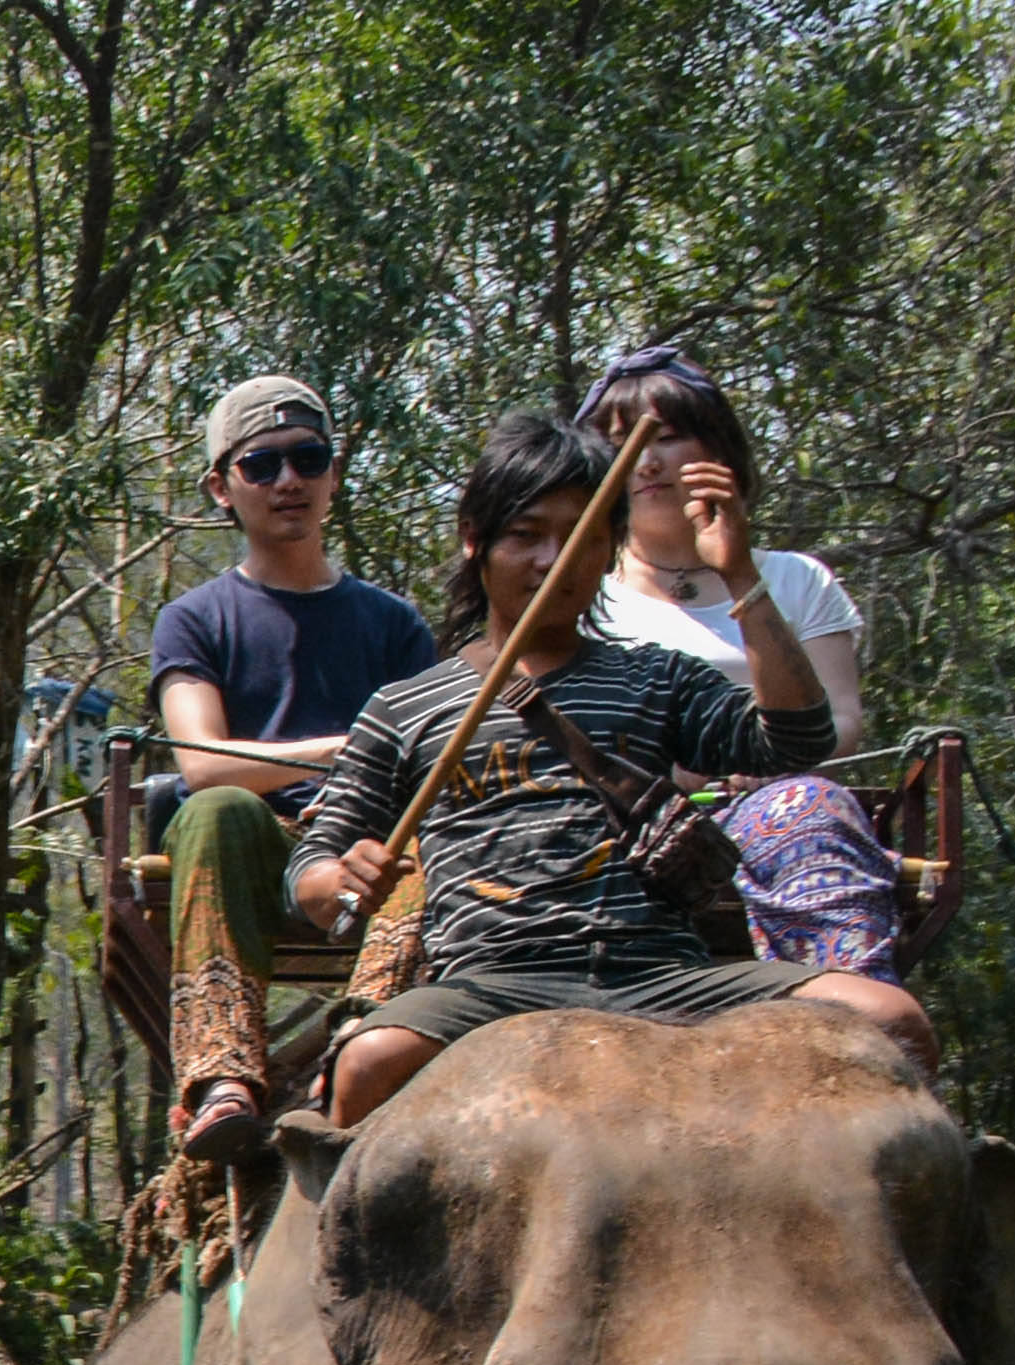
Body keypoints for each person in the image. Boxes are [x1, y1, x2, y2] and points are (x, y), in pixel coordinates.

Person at [293, 411, 930, 1130]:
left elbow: (796, 740)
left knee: (890, 1017)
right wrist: (339, 881)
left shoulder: (660, 679)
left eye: (579, 537)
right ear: (475, 541)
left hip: (666, 978)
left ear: (608, 550)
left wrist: (740, 573)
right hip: (488, 983)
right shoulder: (405, 706)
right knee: (367, 1063)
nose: (551, 561)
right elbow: (313, 869)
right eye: (526, 535)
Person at [146, 374, 440, 1152]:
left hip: (369, 843)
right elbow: (202, 763)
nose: (289, 482)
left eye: (309, 459)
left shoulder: (393, 624)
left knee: (430, 839)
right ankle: (222, 1078)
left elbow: (432, 756)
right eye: (262, 465)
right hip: (255, 842)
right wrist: (332, 753)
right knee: (215, 809)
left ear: (333, 476)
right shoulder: (195, 619)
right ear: (221, 487)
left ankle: (367, 1040)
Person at [578, 344, 913, 975]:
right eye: (620, 442)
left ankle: (847, 1013)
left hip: (775, 809)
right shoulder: (574, 591)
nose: (646, 462)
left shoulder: (798, 581)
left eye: (669, 437)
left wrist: (762, 772)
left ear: (718, 453)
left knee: (812, 810)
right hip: (621, 820)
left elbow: (842, 723)